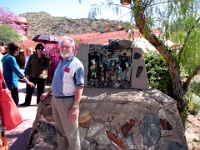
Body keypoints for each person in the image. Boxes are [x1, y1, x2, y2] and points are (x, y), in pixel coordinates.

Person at [40, 36, 84, 150]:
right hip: (55, 100)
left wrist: (74, 107)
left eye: (67, 47)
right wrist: (49, 92)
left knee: (72, 134)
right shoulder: (60, 62)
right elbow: (56, 80)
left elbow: (80, 87)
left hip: (67, 103)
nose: (64, 49)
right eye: (62, 46)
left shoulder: (76, 64)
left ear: (73, 48)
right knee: (60, 131)